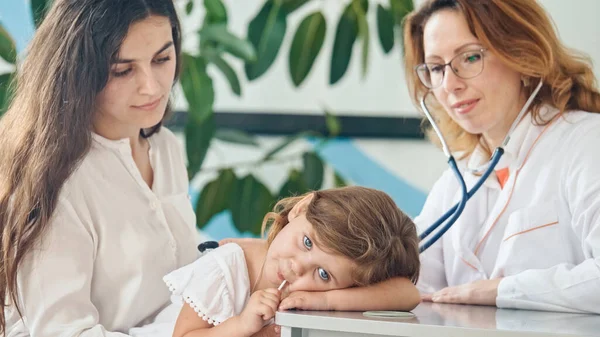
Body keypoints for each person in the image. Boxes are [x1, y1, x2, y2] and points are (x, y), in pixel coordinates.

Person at [0, 1, 201, 336]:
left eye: (162, 59)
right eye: (123, 70)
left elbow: (179, 281)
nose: (152, 87)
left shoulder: (166, 149)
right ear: (80, 72)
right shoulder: (59, 183)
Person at [403, 0, 600, 313]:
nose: (450, 84)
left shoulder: (587, 142)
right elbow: (407, 280)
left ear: (521, 56)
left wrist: (502, 290)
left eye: (469, 57)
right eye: (437, 68)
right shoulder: (458, 183)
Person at [128, 187, 421, 337]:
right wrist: (242, 325)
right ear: (302, 208)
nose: (297, 268)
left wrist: (326, 300)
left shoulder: (311, 294)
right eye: (307, 242)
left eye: (322, 273)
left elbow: (407, 293)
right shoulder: (227, 268)